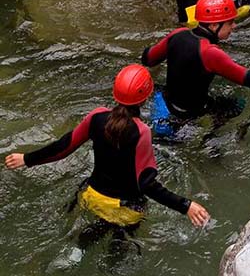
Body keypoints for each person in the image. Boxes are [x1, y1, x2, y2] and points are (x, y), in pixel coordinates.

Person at [4, 65, 209, 233]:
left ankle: (74, 255)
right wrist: (185, 205)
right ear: (145, 97)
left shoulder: (96, 116)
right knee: (116, 253)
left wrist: (27, 159)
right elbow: (146, 184)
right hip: (124, 209)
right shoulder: (141, 131)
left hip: (90, 197)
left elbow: (64, 147)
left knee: (84, 241)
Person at [141, 0, 250, 131]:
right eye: (230, 22)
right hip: (191, 115)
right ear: (214, 26)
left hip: (165, 104)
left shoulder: (178, 34)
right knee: (239, 105)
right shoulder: (210, 53)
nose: (234, 26)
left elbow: (148, 58)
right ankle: (214, 137)